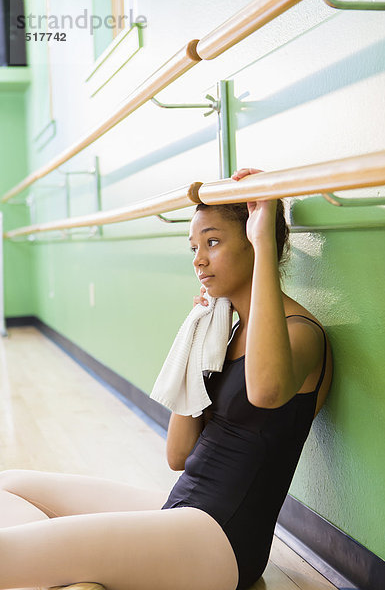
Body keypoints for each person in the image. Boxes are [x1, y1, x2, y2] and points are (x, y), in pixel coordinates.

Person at [0, 168, 332, 590]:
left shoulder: (301, 333)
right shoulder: (226, 333)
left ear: (254, 239)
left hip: (221, 540)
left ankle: (62, 570)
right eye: (194, 246)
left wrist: (265, 241)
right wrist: (199, 338)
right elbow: (179, 454)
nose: (198, 259)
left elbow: (265, 392)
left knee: (6, 554)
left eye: (213, 242)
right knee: (9, 485)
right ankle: (67, 577)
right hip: (181, 509)